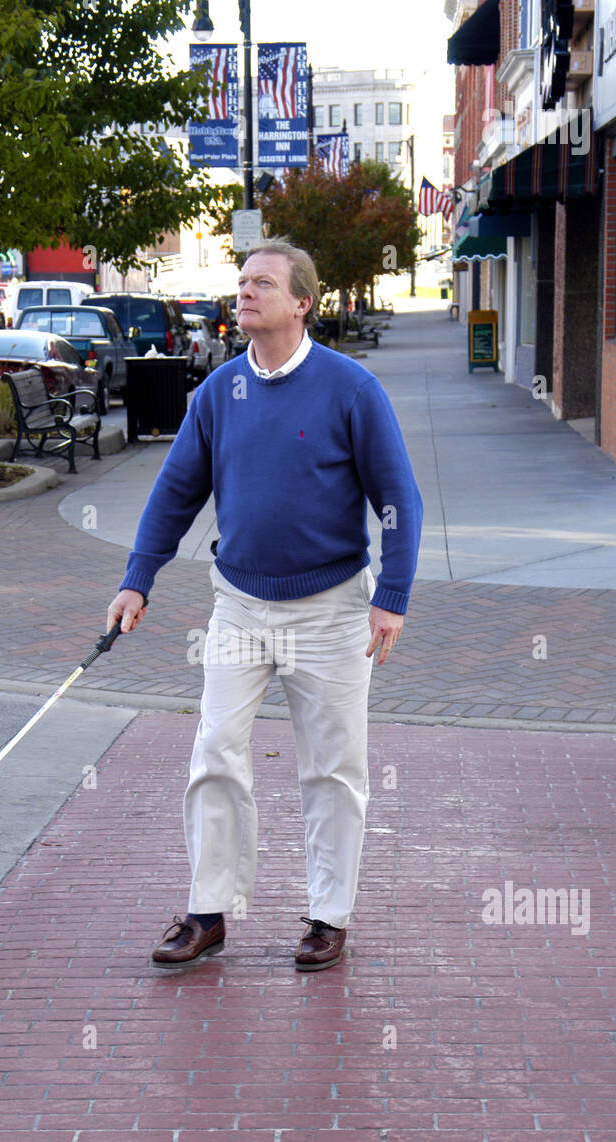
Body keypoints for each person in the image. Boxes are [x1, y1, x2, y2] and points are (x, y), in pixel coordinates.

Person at [106, 237, 423, 972]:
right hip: (239, 607)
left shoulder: (350, 388)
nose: (244, 292)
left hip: (335, 612)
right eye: (242, 281)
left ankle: (327, 917)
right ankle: (209, 912)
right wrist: (137, 577)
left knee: (333, 768)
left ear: (302, 302)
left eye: (262, 284)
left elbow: (397, 499)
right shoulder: (219, 393)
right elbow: (175, 492)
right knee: (214, 751)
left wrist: (393, 596)